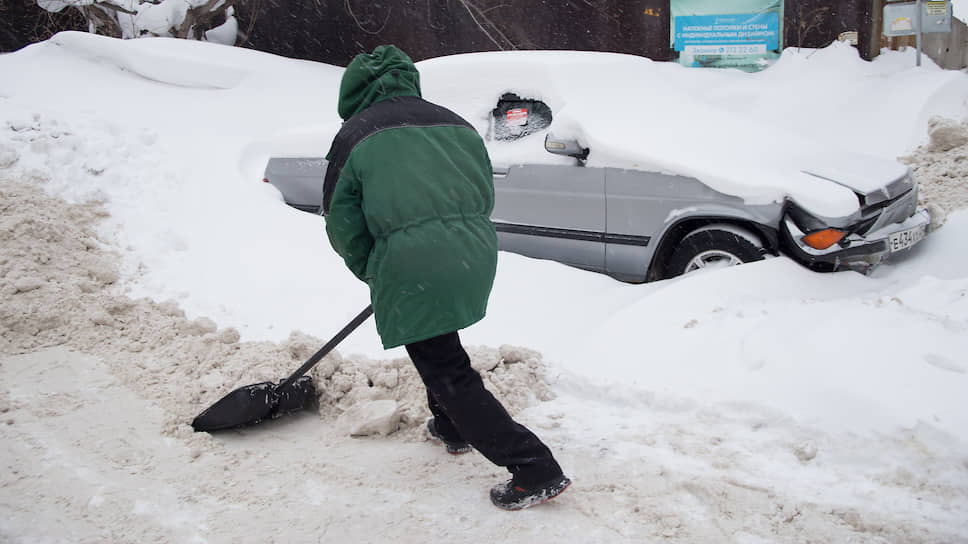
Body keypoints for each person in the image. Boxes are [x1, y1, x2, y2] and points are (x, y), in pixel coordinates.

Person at [322, 45, 570, 510]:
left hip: (412, 262)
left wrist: (375, 268)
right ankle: (451, 426)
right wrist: (453, 241)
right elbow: (481, 190)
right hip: (472, 254)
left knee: (444, 366)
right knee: (438, 341)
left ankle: (533, 466)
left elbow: (341, 221)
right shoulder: (453, 121)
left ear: (353, 90)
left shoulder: (355, 134)